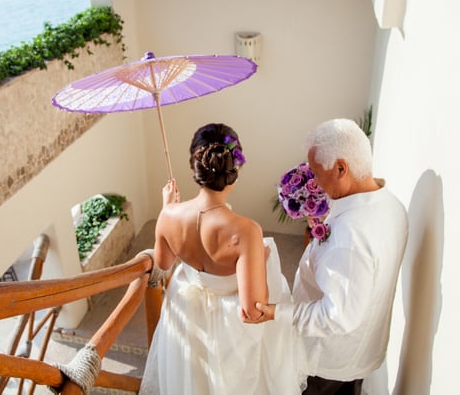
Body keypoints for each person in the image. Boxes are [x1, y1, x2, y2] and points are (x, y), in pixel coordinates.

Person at [245, 118, 409, 395]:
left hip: (327, 362)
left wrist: (275, 312)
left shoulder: (349, 237)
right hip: (361, 349)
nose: (314, 180)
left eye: (317, 172)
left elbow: (334, 317)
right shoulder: (390, 203)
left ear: (341, 168)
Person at [139, 123, 301, 395]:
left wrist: (167, 208)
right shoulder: (246, 231)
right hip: (229, 336)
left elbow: (164, 263)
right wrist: (260, 258)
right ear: (235, 170)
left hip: (185, 321)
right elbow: (253, 310)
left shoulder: (168, 216)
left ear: (194, 168)